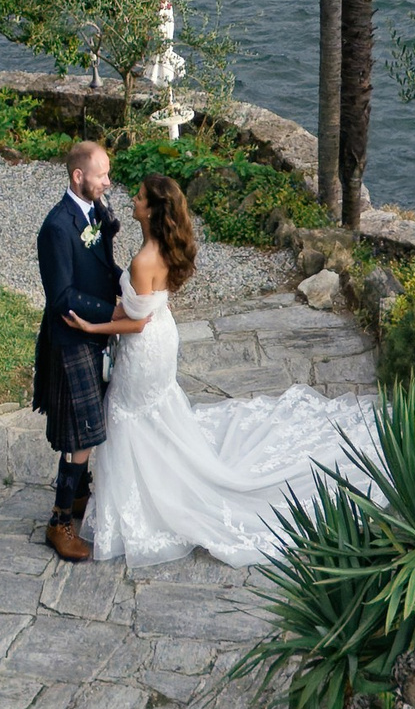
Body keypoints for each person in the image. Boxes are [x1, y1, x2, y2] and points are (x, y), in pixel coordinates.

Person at [79, 170, 380, 567]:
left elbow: (135, 322)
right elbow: (146, 309)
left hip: (143, 347)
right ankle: (159, 482)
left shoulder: (142, 260)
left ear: (152, 210)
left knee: (126, 415)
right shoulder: (164, 248)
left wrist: (92, 325)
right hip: (162, 341)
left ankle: (149, 498)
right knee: (153, 414)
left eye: (138, 197)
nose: (132, 201)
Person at [34, 138, 125, 561]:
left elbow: (104, 266)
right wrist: (113, 311)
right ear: (78, 176)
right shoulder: (56, 227)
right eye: (101, 174)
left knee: (87, 430)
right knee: (81, 437)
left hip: (95, 334)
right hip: (71, 338)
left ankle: (77, 497)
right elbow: (62, 296)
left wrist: (133, 292)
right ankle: (59, 523)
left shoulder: (95, 212)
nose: (107, 181)